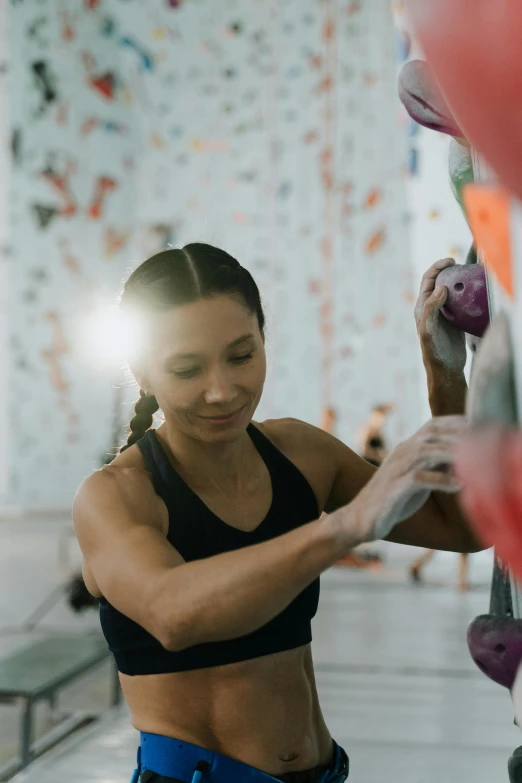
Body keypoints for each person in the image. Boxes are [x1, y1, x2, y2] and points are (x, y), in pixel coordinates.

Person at [73, 247, 480, 783]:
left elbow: (463, 527)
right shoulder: (116, 495)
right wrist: (348, 525)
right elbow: (173, 612)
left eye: (241, 356)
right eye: (187, 369)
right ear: (143, 372)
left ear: (264, 340)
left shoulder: (300, 455)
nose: (221, 391)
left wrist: (445, 374)